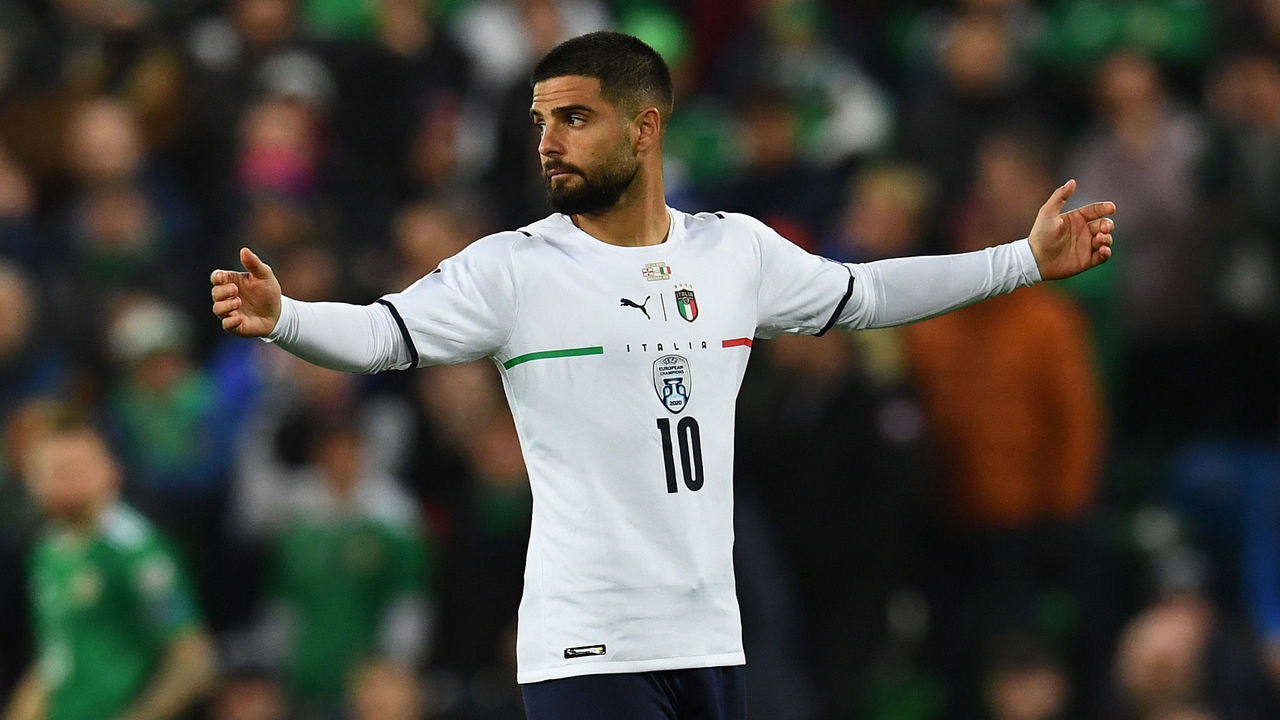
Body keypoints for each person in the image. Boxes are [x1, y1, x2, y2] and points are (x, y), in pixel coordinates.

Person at [210, 31, 1115, 720]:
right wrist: (285, 318)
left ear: (644, 128)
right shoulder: (513, 268)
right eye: (538, 122)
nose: (547, 142)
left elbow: (868, 292)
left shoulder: (735, 250)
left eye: (573, 118)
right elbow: (381, 334)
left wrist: (1022, 262)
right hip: (587, 643)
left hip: (710, 633)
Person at [2, 420, 217, 720]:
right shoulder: (46, 551)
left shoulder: (136, 551)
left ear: (112, 472)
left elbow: (193, 661)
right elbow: (55, 656)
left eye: (76, 469)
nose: (63, 480)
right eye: (52, 470)